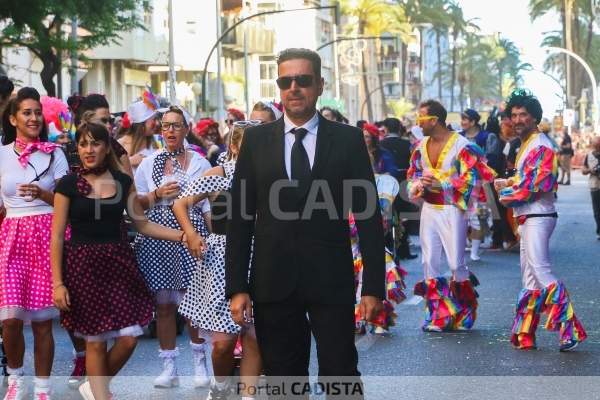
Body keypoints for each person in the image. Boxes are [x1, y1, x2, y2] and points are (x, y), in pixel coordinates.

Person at [225, 48, 385, 399]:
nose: (294, 87)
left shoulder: (347, 140)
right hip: (272, 281)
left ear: (319, 85)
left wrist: (373, 286)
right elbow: (239, 218)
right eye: (286, 81)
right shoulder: (254, 141)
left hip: (331, 279)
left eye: (303, 80)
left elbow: (369, 217)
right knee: (284, 381)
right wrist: (237, 285)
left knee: (341, 374)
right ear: (279, 87)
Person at [50, 113, 189, 400]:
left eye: (96, 144)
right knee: (96, 343)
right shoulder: (67, 185)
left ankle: (94, 385)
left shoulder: (122, 180)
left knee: (129, 338)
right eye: (84, 144)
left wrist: (182, 236)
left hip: (119, 265)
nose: (89, 150)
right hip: (81, 268)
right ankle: (101, 394)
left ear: (106, 147)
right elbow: (56, 237)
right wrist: (58, 283)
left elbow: (142, 224)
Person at [173, 122, 262, 400]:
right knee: (224, 344)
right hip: (221, 260)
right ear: (233, 147)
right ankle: (221, 387)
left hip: (261, 256)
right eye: (248, 144)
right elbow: (180, 203)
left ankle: (248, 396)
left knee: (254, 338)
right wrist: (191, 233)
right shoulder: (219, 174)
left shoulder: (271, 176)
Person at [497, 90, 586, 352]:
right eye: (513, 115)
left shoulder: (540, 145)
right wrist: (511, 182)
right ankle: (525, 335)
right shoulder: (527, 144)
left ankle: (570, 330)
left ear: (535, 117)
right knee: (530, 278)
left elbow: (535, 186)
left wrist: (505, 192)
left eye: (523, 114)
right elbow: (527, 180)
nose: (517, 119)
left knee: (541, 271)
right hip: (528, 217)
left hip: (538, 216)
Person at [133, 106, 212, 388]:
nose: (170, 131)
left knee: (193, 305)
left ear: (186, 129)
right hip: (157, 235)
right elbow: (134, 204)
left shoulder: (200, 163)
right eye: (166, 125)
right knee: (164, 306)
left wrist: (213, 240)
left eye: (176, 126)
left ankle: (201, 366)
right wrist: (156, 194)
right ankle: (169, 367)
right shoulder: (147, 163)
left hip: (191, 232)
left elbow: (206, 207)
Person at [0, 87, 70, 400]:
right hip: (12, 236)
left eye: (37, 112)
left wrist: (41, 193)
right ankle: (16, 378)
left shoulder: (54, 153)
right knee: (11, 319)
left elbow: (69, 202)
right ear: (13, 118)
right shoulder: (0, 155)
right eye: (26, 113)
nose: (33, 118)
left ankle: (42, 387)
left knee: (43, 322)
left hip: (47, 236)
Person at [406, 99, 495, 332]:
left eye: (421, 119)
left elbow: (473, 180)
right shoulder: (419, 145)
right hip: (429, 210)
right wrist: (419, 184)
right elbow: (412, 176)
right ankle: (437, 315)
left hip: (453, 210)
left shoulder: (462, 145)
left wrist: (441, 183)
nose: (417, 123)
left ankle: (465, 309)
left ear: (434, 120)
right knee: (428, 262)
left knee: (456, 263)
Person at [67, 93, 133, 177]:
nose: (109, 126)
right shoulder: (64, 152)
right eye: (102, 121)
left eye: (111, 121)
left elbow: (130, 187)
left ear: (108, 148)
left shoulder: (117, 150)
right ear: (83, 122)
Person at [380, 117, 417, 260]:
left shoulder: (381, 144)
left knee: (386, 214)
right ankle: (403, 247)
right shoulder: (408, 144)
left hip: (385, 184)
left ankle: (389, 246)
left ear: (386, 129)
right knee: (405, 215)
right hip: (403, 182)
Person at [117, 91, 161, 175]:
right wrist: (129, 162)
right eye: (154, 119)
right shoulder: (120, 145)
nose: (158, 123)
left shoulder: (159, 141)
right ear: (142, 123)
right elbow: (111, 173)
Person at [582, 136, 600, 240]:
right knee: (597, 211)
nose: (598, 150)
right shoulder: (589, 156)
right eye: (596, 147)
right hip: (595, 186)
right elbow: (583, 171)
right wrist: (590, 170)